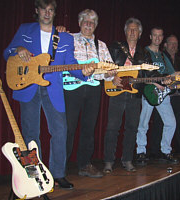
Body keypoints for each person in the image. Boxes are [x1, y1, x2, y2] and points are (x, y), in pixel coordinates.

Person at [3, 0, 94, 189]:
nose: (47, 13)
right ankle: (35, 176)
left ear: (54, 13)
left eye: (51, 10)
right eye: (44, 9)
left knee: (60, 131)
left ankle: (58, 174)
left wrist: (84, 73)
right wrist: (17, 49)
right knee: (30, 134)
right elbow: (7, 53)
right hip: (28, 86)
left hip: (53, 88)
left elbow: (70, 62)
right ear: (37, 11)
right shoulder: (25, 29)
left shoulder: (65, 37)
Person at [63, 9, 116, 178]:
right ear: (79, 23)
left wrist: (109, 73)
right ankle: (59, 167)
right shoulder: (68, 38)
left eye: (92, 23)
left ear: (96, 26)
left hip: (93, 89)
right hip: (71, 89)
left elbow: (111, 69)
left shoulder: (101, 46)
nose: (88, 25)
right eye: (85, 21)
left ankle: (85, 164)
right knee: (68, 128)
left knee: (88, 128)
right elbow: (60, 61)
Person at [103, 17, 153, 173]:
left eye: (135, 30)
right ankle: (108, 162)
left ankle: (127, 160)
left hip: (135, 94)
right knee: (112, 128)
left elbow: (148, 74)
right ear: (125, 32)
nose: (132, 32)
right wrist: (112, 76)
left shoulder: (144, 53)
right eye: (130, 29)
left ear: (140, 34)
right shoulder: (115, 47)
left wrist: (160, 79)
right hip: (116, 91)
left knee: (132, 128)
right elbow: (104, 66)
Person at [151, 35, 180, 162]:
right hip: (162, 95)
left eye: (176, 44)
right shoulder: (160, 57)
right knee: (159, 124)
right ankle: (155, 152)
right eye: (171, 43)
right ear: (165, 45)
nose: (174, 46)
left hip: (177, 96)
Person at [136, 27, 178, 165]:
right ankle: (140, 152)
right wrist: (155, 82)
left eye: (160, 36)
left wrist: (174, 81)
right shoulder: (144, 52)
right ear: (150, 36)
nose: (157, 38)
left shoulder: (163, 56)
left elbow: (171, 74)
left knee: (171, 122)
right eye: (155, 35)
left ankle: (166, 151)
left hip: (163, 93)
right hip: (149, 92)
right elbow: (141, 73)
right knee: (144, 123)